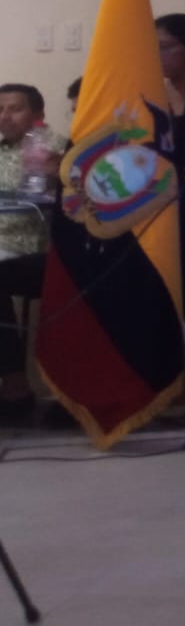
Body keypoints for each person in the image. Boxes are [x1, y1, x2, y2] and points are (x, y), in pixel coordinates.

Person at [0, 84, 65, 421]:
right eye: (0, 110)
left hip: (31, 248)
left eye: (15, 109)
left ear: (38, 114)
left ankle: (15, 389)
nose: (5, 116)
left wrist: (57, 168)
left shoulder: (51, 146)